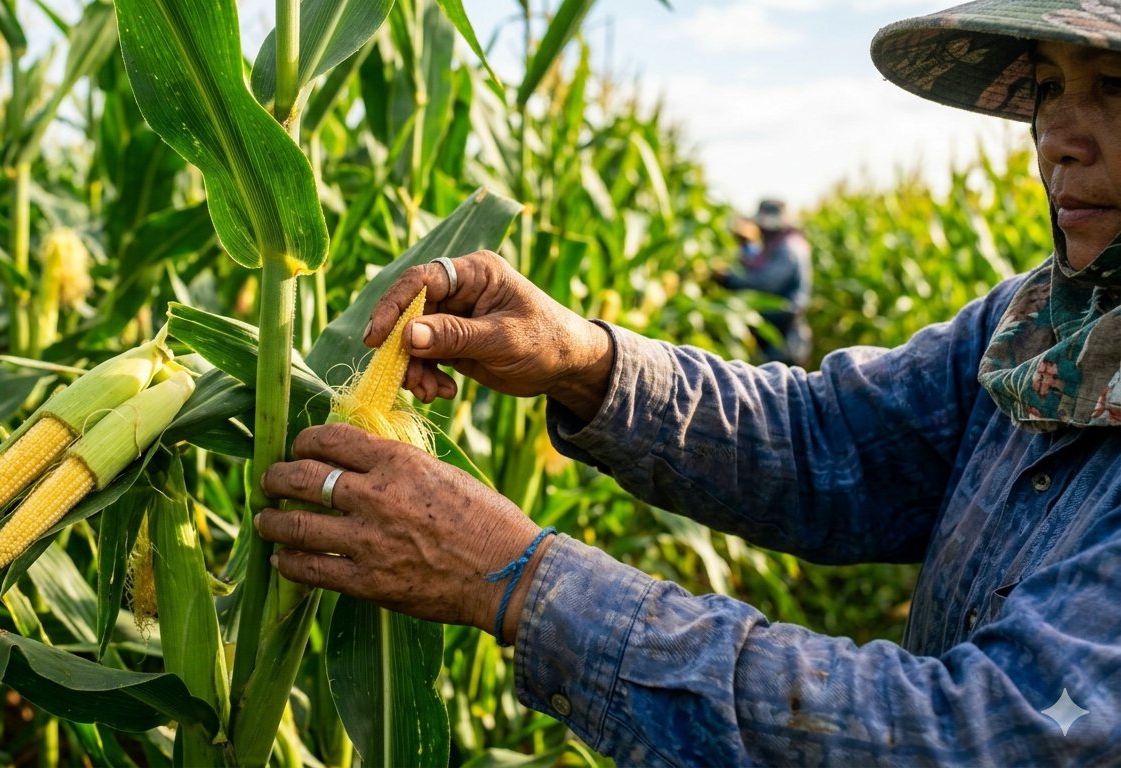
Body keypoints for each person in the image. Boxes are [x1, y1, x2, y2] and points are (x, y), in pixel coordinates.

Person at [255, 1, 1121, 763]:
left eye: (1115, 86)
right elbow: (832, 443)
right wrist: (585, 361)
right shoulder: (1041, 327)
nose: (1058, 140)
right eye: (1047, 88)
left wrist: (521, 581)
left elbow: (976, 738)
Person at [715, 199, 814, 366]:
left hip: (785, 336)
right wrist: (744, 245)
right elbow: (755, 260)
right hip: (777, 331)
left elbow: (766, 283)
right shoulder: (777, 245)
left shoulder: (789, 248)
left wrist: (728, 278)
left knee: (780, 385)